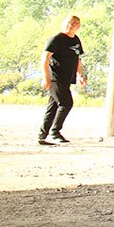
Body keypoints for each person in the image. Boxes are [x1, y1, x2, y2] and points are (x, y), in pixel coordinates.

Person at [39, 14, 85, 145]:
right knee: (66, 104)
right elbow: (45, 58)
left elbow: (77, 59)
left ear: (78, 26)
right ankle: (55, 132)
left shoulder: (76, 40)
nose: (71, 25)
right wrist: (46, 77)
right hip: (55, 79)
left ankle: (42, 136)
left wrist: (80, 74)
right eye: (69, 22)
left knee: (53, 107)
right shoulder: (56, 39)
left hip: (67, 79)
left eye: (75, 23)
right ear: (64, 23)